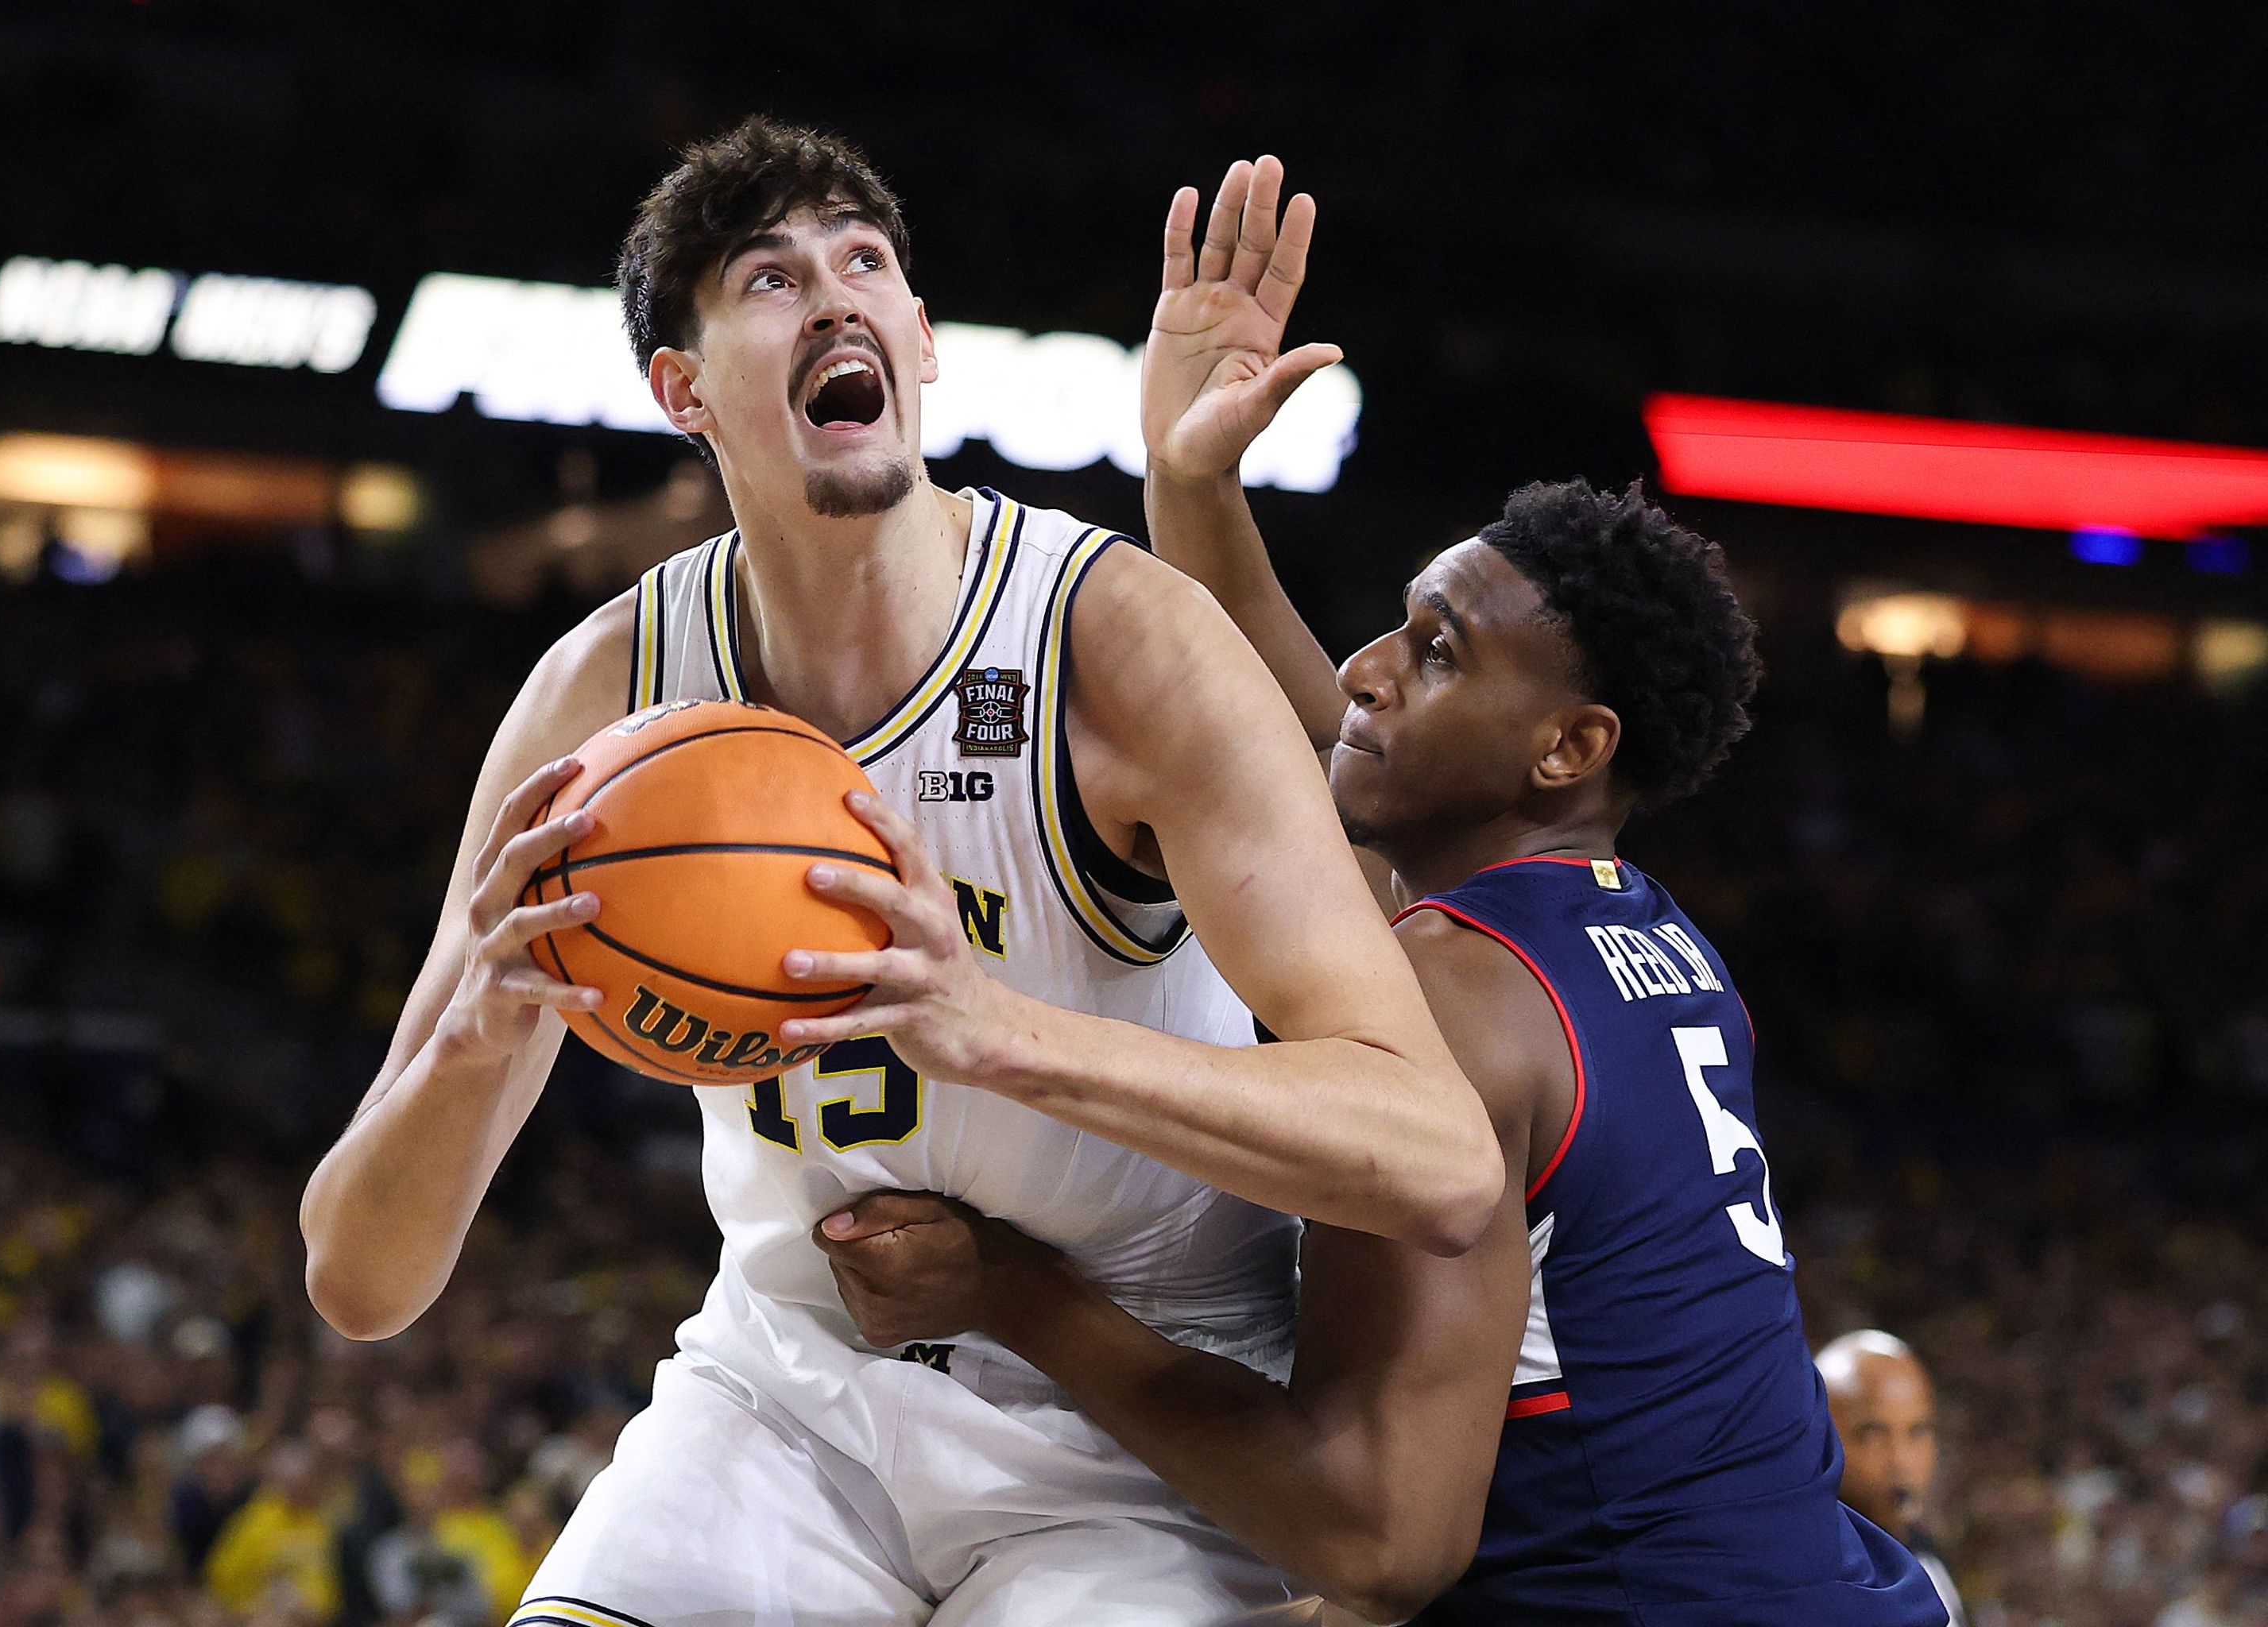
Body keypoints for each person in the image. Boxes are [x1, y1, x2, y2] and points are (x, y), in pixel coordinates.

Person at [299, 119, 1504, 1627]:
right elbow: (359, 1279)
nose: (833, 298)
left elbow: (1436, 1153)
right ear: (682, 390)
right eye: (766, 279)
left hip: (1139, 1408)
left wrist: (998, 1029)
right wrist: (472, 1040)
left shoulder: (1116, 646)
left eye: (863, 262)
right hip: (785, 1388)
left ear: (920, 345)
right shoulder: (603, 702)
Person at [813, 157, 1948, 1626]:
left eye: (1435, 651)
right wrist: (1190, 480)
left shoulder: (1449, 1002)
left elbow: (1374, 1533)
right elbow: (1302, 745)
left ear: (1566, 746)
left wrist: (1014, 1293)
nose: (1366, 669)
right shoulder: (1637, 934)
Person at [1820, 1330, 1968, 1625]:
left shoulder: (1922, 1552)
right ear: (1819, 1438)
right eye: (1873, 1434)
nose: (1900, 1460)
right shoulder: (1803, 1580)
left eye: (1917, 1432)